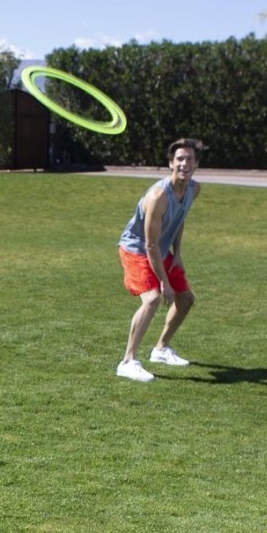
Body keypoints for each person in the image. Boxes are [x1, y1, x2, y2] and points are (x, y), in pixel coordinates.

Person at [115, 139, 203, 382]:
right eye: (180, 159)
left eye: (189, 159)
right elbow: (149, 244)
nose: (184, 163)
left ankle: (161, 349)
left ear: (196, 164)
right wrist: (164, 282)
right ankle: (127, 362)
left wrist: (178, 253)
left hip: (161, 249)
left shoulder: (194, 189)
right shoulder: (158, 196)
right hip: (137, 248)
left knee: (186, 299)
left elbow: (180, 219)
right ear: (171, 163)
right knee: (153, 299)